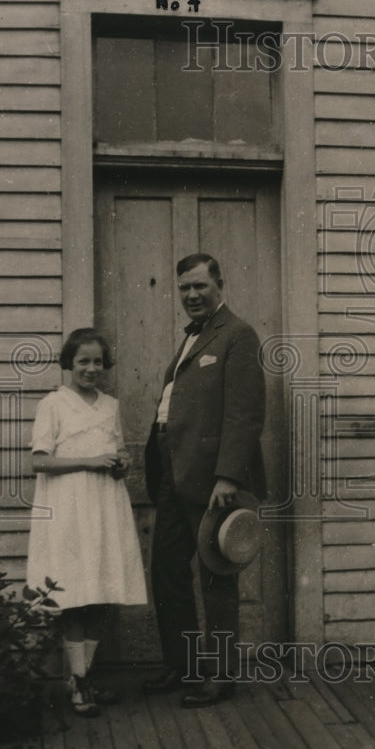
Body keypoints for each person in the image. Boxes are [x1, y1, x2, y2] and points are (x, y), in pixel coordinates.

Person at [144, 253, 266, 708]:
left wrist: (228, 475)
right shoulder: (191, 340)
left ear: (220, 284)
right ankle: (184, 664)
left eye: (199, 286)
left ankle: (220, 675)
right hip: (173, 476)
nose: (192, 295)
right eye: (184, 289)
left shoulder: (237, 335)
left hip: (212, 480)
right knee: (167, 572)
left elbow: (245, 413)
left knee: (216, 577)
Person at [27, 327, 147, 716]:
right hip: (67, 509)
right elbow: (39, 461)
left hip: (104, 507)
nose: (91, 369)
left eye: (97, 361)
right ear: (69, 364)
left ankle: (83, 678)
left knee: (101, 591)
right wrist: (90, 462)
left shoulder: (110, 406)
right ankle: (79, 680)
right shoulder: (54, 404)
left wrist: (119, 464)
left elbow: (114, 452)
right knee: (74, 594)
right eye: (83, 361)